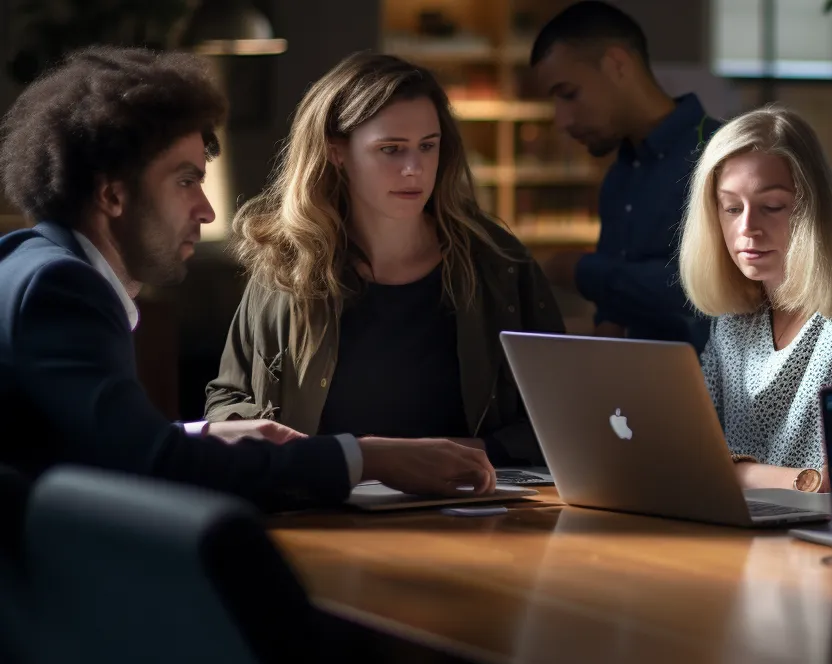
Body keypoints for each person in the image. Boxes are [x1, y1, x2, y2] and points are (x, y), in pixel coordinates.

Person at [0, 46, 493, 510]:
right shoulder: (62, 290)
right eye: (186, 180)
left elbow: (105, 440)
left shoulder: (28, 264)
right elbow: (150, 465)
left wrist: (204, 433)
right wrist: (366, 457)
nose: (208, 210)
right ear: (112, 196)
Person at [205, 52, 564, 468]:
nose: (414, 168)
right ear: (337, 152)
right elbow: (227, 398)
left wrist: (471, 454)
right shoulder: (288, 266)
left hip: (475, 507)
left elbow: (564, 410)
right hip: (325, 510)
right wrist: (307, 456)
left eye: (427, 146)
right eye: (391, 149)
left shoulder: (497, 261)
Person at [681, 106, 832, 492]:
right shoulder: (734, 321)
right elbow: (696, 449)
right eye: (731, 208)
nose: (747, 227)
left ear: (814, 207)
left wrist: (742, 474)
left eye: (772, 206)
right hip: (736, 533)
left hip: (829, 543)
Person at [531, 1, 722, 348]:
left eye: (569, 94)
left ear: (617, 64)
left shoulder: (721, 153)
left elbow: (709, 288)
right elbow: (615, 314)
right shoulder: (618, 178)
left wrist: (579, 270)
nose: (561, 121)